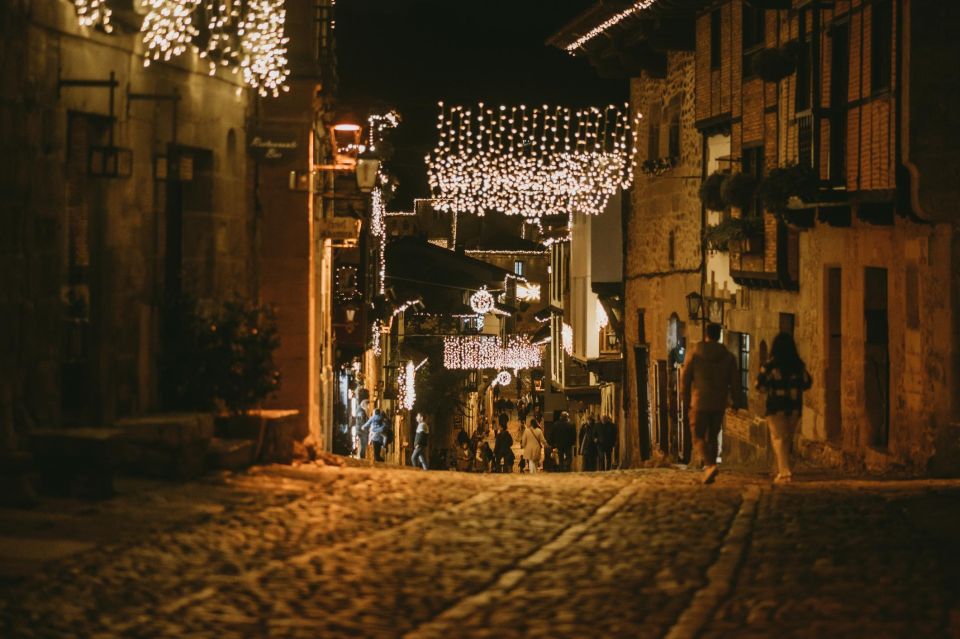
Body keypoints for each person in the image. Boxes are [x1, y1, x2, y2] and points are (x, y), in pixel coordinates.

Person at [681, 322, 745, 484]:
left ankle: (710, 465)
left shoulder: (694, 354)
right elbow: (736, 381)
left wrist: (686, 401)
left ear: (706, 335)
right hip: (718, 402)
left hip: (700, 401)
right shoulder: (728, 357)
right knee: (713, 435)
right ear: (718, 335)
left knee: (698, 435)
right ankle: (712, 465)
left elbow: (685, 379)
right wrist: (736, 401)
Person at [756, 332, 812, 484]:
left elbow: (759, 385)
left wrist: (769, 389)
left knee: (778, 437)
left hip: (776, 407)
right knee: (787, 438)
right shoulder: (798, 365)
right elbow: (807, 382)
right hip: (794, 407)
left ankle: (784, 471)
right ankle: (782, 469)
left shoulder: (770, 365)